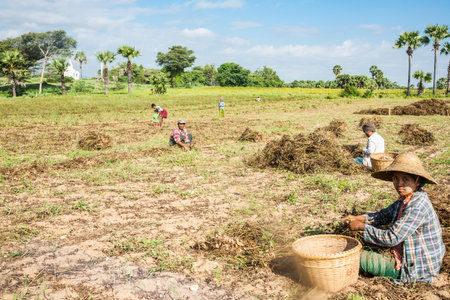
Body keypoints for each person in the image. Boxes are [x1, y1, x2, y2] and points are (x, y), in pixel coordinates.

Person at [344, 153, 445, 284]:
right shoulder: (406, 199)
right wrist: (359, 218)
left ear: (417, 180)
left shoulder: (417, 206)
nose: (399, 184)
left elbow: (391, 238)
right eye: (396, 178)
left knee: (355, 259)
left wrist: (362, 227)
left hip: (416, 268)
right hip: (406, 253)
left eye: (405, 179)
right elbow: (383, 215)